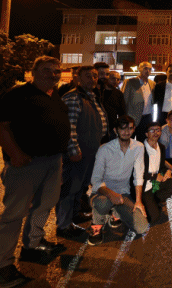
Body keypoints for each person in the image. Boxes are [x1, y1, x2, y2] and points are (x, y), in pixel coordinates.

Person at [0, 56, 70, 286]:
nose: (53, 74)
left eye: (56, 71)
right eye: (47, 70)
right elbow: (2, 126)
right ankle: (3, 265)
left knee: (45, 204)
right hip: (26, 163)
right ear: (33, 72)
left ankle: (32, 245)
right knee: (14, 214)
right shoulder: (17, 94)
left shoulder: (54, 95)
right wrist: (15, 154)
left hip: (52, 161)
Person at [56, 66, 108, 239]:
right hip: (78, 152)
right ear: (77, 78)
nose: (92, 79)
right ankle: (63, 225)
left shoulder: (90, 97)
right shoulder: (73, 98)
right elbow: (69, 126)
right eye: (88, 76)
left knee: (81, 186)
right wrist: (73, 149)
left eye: (94, 76)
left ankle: (75, 215)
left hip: (90, 151)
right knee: (70, 188)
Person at [87, 115, 149, 246]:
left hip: (123, 194)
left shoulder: (139, 147)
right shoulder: (104, 149)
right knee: (103, 203)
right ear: (115, 130)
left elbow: (139, 175)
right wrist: (111, 194)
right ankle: (96, 224)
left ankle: (115, 212)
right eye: (123, 128)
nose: (127, 132)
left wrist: (138, 201)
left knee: (142, 227)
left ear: (134, 129)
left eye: (130, 128)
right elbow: (96, 179)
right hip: (102, 193)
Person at [141, 122, 172, 224]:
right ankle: (145, 202)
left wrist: (167, 171)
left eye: (158, 130)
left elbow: (161, 167)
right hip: (144, 186)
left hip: (156, 184)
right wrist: (153, 176)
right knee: (153, 218)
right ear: (146, 134)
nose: (155, 133)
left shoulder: (161, 147)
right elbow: (135, 173)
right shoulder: (140, 149)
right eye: (152, 130)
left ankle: (155, 200)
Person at [122, 61, 156, 142]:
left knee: (144, 142)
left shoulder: (152, 84)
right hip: (132, 119)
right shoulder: (130, 82)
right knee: (128, 142)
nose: (148, 71)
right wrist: (124, 119)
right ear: (139, 69)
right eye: (145, 68)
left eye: (150, 69)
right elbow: (124, 101)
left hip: (147, 118)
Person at [95, 63, 126, 142]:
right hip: (95, 129)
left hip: (111, 130)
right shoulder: (95, 91)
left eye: (118, 79)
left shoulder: (118, 93)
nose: (116, 81)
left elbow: (122, 112)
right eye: (113, 78)